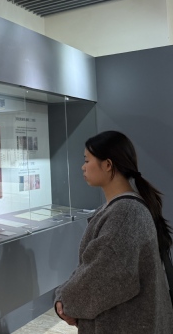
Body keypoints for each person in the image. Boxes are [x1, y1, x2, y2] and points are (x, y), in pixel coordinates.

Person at [55, 131, 173, 333]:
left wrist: (65, 302)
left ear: (108, 165)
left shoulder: (125, 213)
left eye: (87, 160)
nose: (83, 167)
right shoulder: (120, 208)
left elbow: (102, 277)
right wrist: (64, 297)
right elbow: (91, 266)